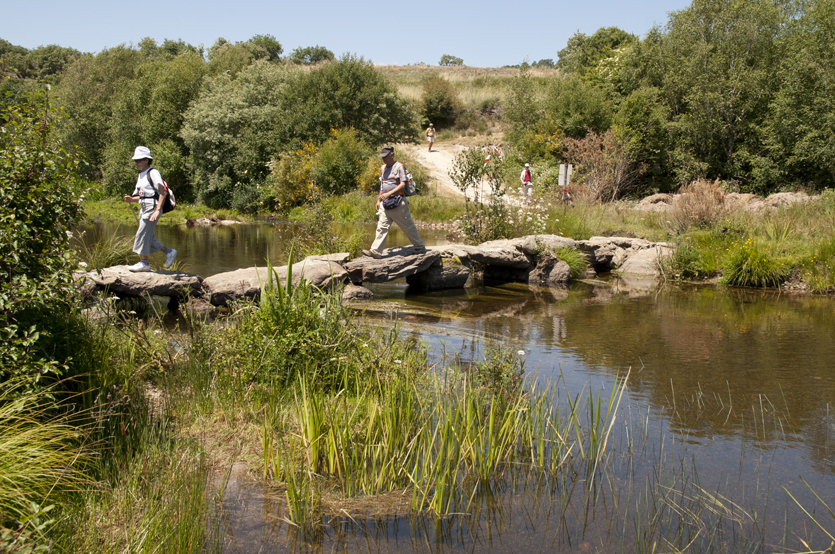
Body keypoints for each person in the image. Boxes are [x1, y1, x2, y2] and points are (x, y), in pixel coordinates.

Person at [362, 145, 426, 259]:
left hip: (398, 202)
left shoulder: (399, 167)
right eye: (382, 157)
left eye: (385, 156)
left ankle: (420, 246)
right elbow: (382, 185)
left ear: (392, 155)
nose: (383, 159)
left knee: (408, 226)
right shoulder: (383, 168)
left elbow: (403, 184)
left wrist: (388, 193)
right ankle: (375, 251)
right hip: (385, 203)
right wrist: (378, 200)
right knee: (382, 227)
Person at [123, 146, 177, 272]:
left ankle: (144, 263)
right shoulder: (141, 175)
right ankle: (168, 252)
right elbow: (142, 196)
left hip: (152, 207)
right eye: (136, 161)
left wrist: (158, 209)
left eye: (139, 160)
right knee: (149, 237)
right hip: (144, 207)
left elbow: (162, 192)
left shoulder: (153, 173)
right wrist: (132, 199)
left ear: (147, 160)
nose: (137, 163)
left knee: (142, 234)